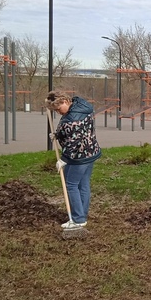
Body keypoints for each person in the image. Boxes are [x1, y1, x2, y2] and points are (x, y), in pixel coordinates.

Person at [46, 91, 102, 230]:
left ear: (65, 101)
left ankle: (77, 219)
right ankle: (81, 216)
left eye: (58, 109)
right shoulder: (80, 105)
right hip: (91, 151)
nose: (58, 112)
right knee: (83, 183)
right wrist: (58, 134)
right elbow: (75, 133)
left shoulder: (73, 119)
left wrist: (64, 160)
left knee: (71, 184)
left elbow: (74, 141)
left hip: (79, 155)